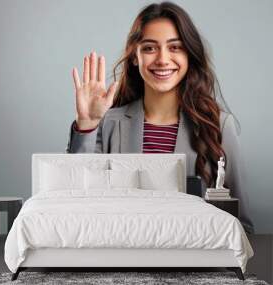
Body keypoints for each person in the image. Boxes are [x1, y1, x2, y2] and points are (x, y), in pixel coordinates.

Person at [66, 2, 254, 234]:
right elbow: (73, 203)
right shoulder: (109, 122)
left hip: (193, 263)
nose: (163, 59)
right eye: (149, 48)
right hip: (121, 257)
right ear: (135, 56)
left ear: (189, 55)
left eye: (175, 47)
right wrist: (87, 124)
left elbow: (241, 225)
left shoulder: (218, 125)